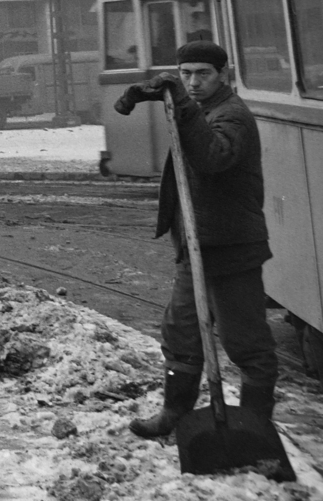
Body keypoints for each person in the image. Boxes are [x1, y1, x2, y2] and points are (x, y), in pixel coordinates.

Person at [114, 40, 278, 437]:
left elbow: (213, 157)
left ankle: (256, 431)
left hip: (232, 246)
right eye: (185, 74)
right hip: (197, 245)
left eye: (203, 73)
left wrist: (183, 106)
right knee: (182, 333)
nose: (193, 82)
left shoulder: (232, 115)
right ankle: (175, 412)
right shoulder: (199, 107)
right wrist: (147, 93)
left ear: (223, 75)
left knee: (246, 343)